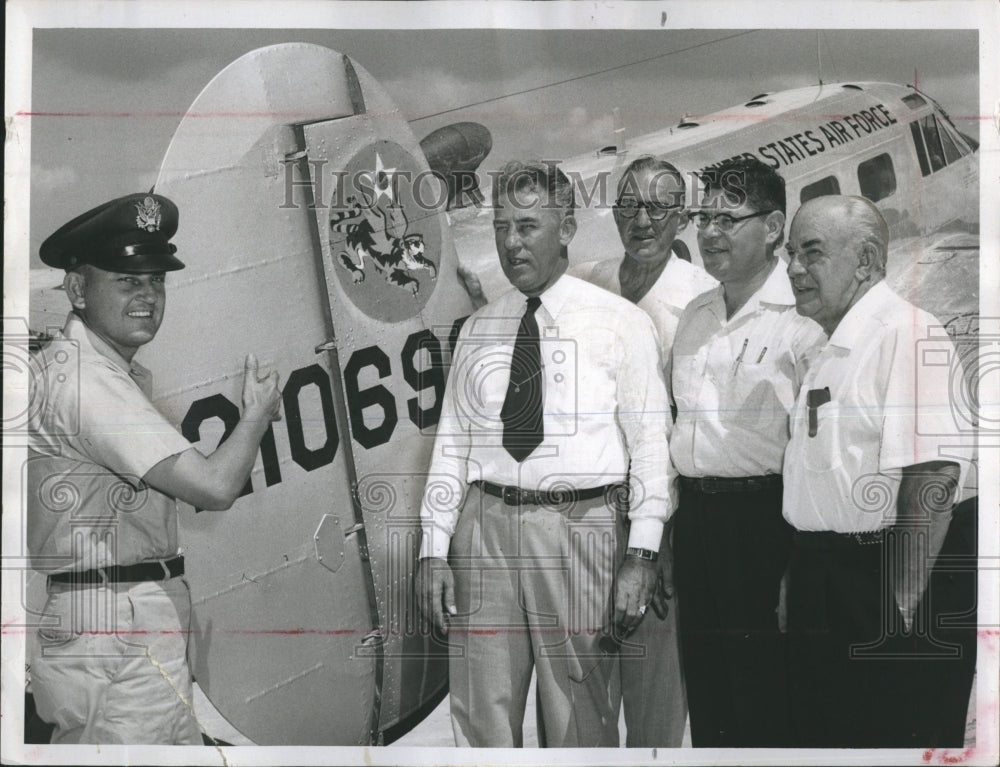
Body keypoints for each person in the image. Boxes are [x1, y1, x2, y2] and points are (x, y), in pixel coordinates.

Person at [416, 160, 674, 747]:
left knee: (578, 715)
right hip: (482, 534)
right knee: (481, 716)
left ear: (567, 228)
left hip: (581, 530)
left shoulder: (621, 323)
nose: (511, 242)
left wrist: (642, 551)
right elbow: (452, 447)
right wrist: (433, 550)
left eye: (528, 226)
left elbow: (650, 446)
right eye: (503, 227)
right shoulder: (478, 330)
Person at [27, 193, 282, 744]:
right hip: (119, 628)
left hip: (111, 619)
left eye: (156, 281)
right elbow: (213, 487)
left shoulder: (83, 370)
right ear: (76, 289)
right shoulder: (88, 385)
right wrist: (257, 415)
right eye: (126, 280)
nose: (147, 297)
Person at [782, 195, 973, 747]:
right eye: (791, 254)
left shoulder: (905, 331)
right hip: (830, 576)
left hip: (883, 581)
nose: (794, 269)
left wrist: (899, 612)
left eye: (811, 254)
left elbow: (934, 475)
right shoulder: (835, 344)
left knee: (894, 739)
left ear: (865, 260)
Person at [669, 157, 824, 746]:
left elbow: (816, 454)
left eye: (727, 220)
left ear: (775, 227)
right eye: (702, 218)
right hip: (698, 525)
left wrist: (798, 564)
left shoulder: (803, 321)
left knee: (769, 701)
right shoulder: (696, 316)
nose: (708, 233)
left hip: (768, 524)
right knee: (710, 699)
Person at [586, 155, 716, 747]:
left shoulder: (700, 302)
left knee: (656, 699)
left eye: (659, 208)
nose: (642, 220)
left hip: (663, 521)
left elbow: (689, 430)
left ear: (683, 217)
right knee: (588, 689)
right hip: (595, 517)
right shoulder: (594, 284)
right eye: (629, 205)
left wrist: (660, 543)